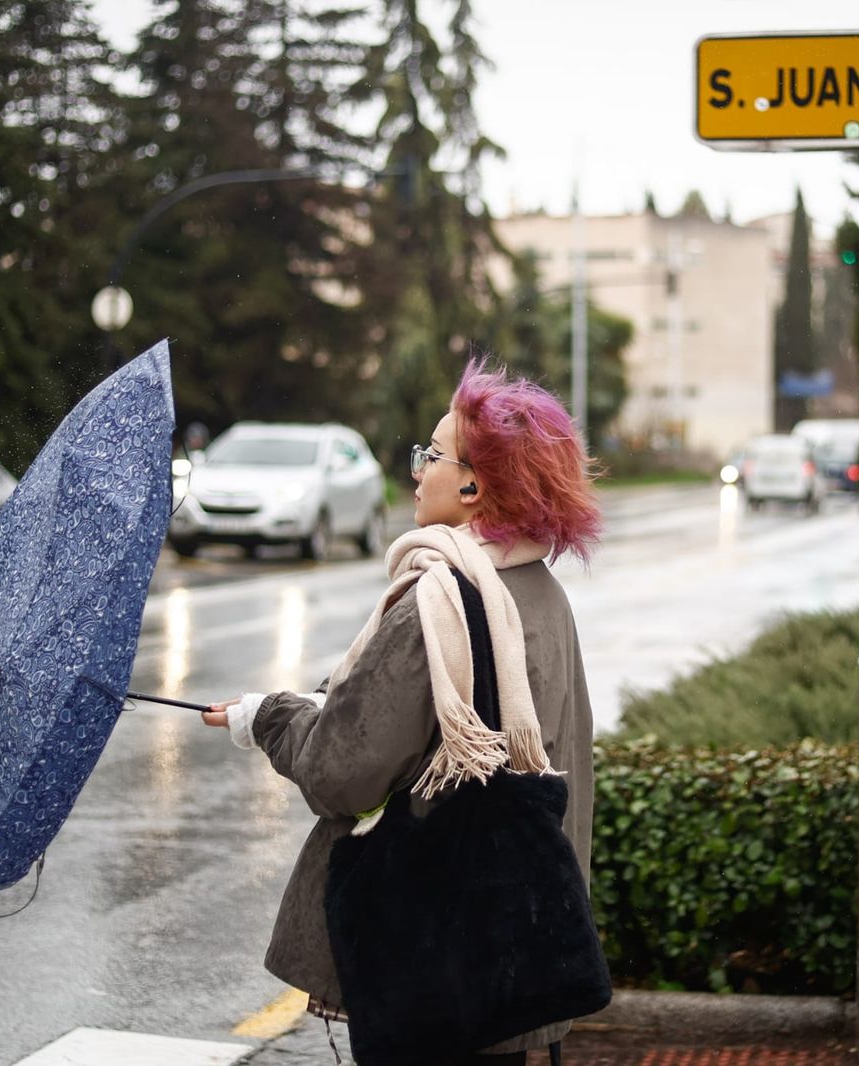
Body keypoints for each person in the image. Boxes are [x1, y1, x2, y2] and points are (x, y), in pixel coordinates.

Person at [201, 358, 603, 1065]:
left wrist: (270, 718)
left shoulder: (436, 603)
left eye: (433, 454)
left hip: (436, 970)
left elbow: (343, 773)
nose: (417, 470)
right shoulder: (542, 593)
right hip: (515, 960)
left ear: (474, 484)